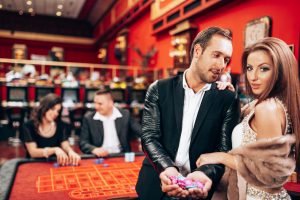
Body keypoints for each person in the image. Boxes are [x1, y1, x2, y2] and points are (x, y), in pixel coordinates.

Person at [136, 26, 240, 200]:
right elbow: (149, 137)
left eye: (226, 59)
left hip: (197, 189)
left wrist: (205, 174)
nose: (222, 65)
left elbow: (223, 150)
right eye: (216, 55)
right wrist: (168, 169)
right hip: (155, 186)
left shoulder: (228, 98)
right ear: (198, 51)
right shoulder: (159, 89)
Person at [196, 37, 300, 200]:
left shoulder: (267, 108)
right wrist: (230, 97)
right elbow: (242, 129)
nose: (253, 76)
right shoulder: (262, 104)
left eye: (264, 69)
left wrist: (220, 156)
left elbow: (268, 173)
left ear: (280, 71)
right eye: (250, 68)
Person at [79, 88, 141, 156]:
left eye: (100, 104)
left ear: (111, 103)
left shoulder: (125, 115)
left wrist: (145, 143)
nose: (96, 107)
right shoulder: (89, 118)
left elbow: (141, 132)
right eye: (95, 103)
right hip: (99, 157)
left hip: (121, 155)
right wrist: (94, 149)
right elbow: (83, 142)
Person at [23, 93, 81, 166]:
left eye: (58, 111)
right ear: (44, 107)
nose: (56, 113)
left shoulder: (61, 124)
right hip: (34, 164)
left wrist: (70, 151)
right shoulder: (29, 125)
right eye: (53, 109)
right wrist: (54, 149)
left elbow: (64, 144)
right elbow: (33, 152)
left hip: (53, 164)